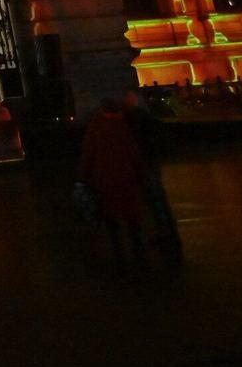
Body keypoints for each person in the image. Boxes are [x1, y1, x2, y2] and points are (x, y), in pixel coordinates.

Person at [75, 98, 147, 261]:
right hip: (126, 176)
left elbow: (88, 153)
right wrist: (141, 174)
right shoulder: (125, 127)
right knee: (131, 213)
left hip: (104, 177)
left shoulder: (95, 127)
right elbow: (134, 153)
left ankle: (117, 249)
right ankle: (137, 245)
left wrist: (82, 177)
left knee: (110, 214)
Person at [121, 90, 180, 250]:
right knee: (158, 197)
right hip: (150, 159)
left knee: (154, 197)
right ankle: (168, 230)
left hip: (145, 161)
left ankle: (164, 231)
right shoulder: (145, 117)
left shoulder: (134, 119)